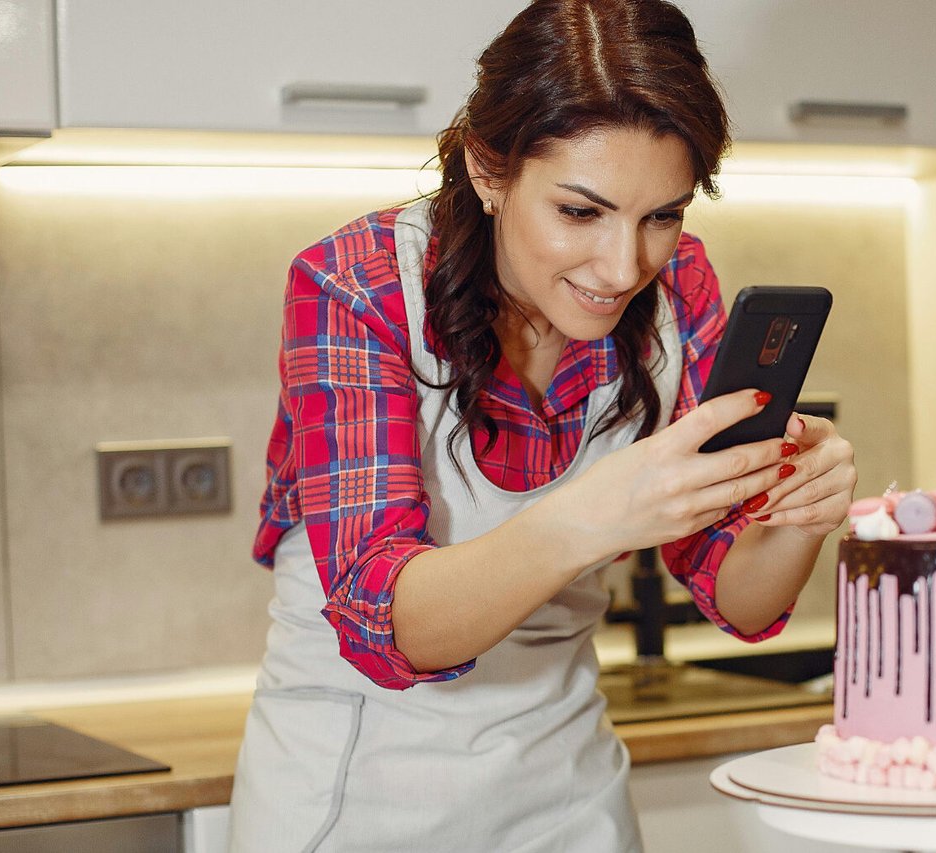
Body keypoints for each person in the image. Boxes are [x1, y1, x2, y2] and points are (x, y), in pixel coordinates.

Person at [227, 1, 856, 850]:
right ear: (490, 171)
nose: (625, 265)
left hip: (566, 794)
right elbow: (389, 624)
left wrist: (796, 517)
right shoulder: (356, 288)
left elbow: (736, 598)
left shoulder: (680, 291)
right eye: (580, 212)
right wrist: (595, 514)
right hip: (356, 789)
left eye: (662, 216)